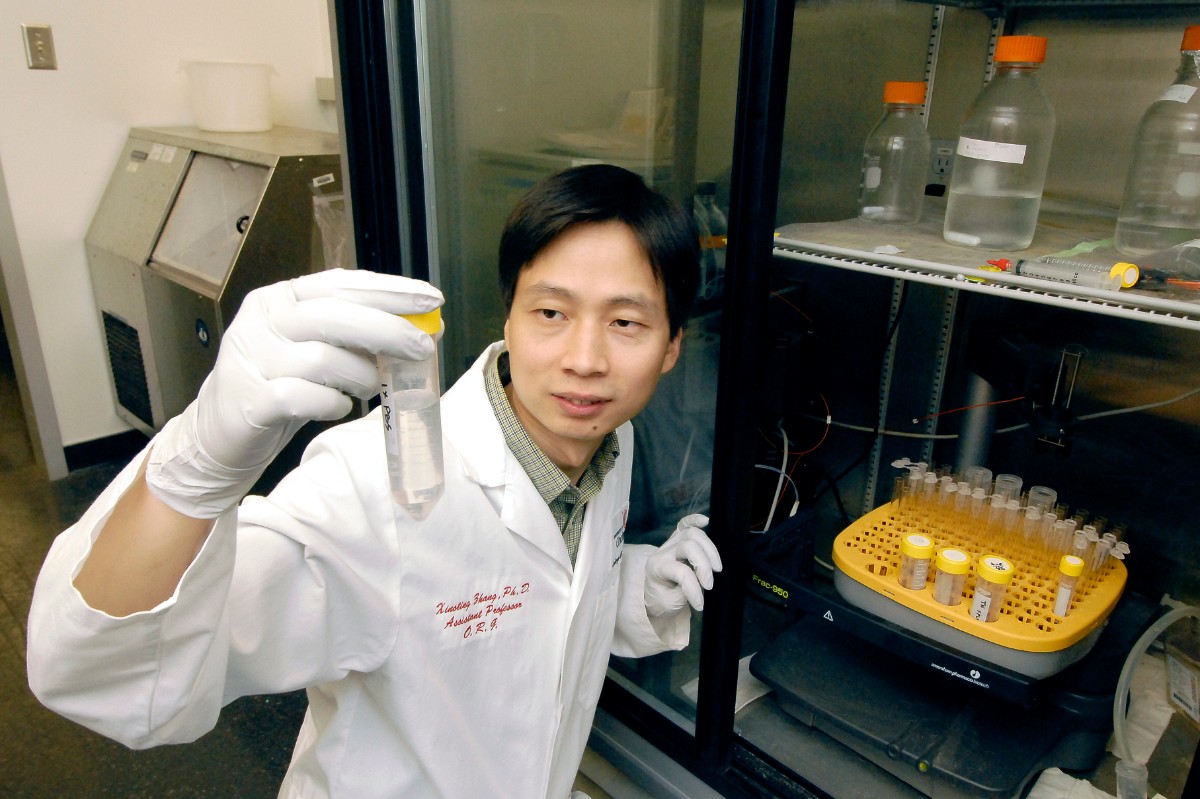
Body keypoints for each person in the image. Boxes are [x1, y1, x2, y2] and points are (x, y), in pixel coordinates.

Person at [27, 164, 721, 798]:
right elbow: (106, 674)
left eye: (626, 322)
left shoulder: (612, 442)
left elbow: (534, 596)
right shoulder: (375, 487)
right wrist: (194, 471)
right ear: (508, 316)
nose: (585, 358)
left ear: (671, 347)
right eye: (551, 313)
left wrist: (626, 586)